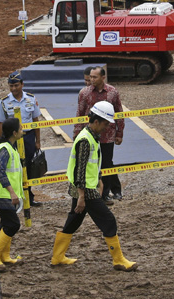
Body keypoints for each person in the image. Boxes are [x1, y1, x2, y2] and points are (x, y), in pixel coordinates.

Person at [51, 101, 137, 271]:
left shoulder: (90, 136)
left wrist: (99, 179)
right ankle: (118, 260)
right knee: (108, 220)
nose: (106, 128)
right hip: (86, 190)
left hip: (85, 187)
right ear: (96, 121)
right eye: (105, 123)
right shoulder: (85, 140)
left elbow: (90, 164)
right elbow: (80, 170)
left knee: (74, 220)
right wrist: (82, 196)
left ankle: (57, 257)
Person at [74, 66, 124, 203]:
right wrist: (77, 133)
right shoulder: (84, 93)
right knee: (91, 164)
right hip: (90, 137)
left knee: (107, 164)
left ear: (103, 77)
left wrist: (120, 132)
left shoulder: (113, 92)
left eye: (94, 77)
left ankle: (105, 194)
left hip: (108, 136)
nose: (91, 79)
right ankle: (91, 192)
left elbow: (119, 112)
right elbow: (79, 113)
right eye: (90, 77)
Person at [0, 71, 42, 207]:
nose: (13, 89)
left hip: (28, 137)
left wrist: (37, 141)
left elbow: (36, 121)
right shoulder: (4, 102)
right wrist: (2, 142)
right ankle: (14, 195)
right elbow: (1, 124)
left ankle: (29, 195)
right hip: (12, 140)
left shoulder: (31, 99)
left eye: (16, 85)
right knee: (14, 168)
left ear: (22, 84)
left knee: (29, 167)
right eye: (11, 86)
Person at [0, 118, 23, 270]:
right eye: (20, 128)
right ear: (14, 133)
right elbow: (1, 172)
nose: (23, 130)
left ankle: (4, 255)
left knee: (6, 224)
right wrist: (12, 192)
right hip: (2, 195)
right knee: (13, 224)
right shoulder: (4, 149)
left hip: (7, 195)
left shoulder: (11, 147)